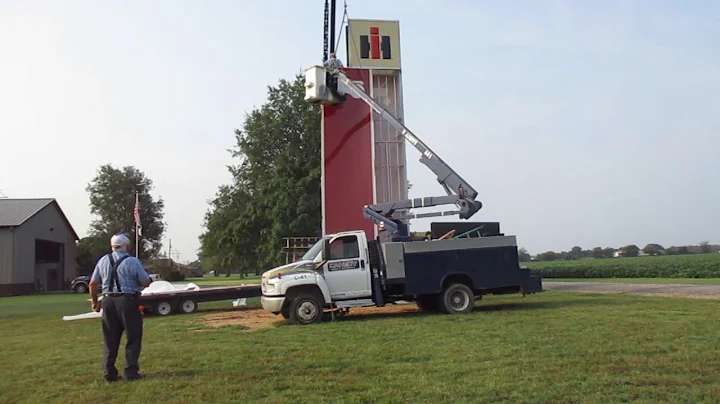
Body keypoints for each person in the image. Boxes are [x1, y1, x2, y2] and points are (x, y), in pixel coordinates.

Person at [88, 233, 152, 382]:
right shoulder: (132, 261)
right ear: (127, 246)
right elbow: (145, 282)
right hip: (127, 300)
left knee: (110, 339)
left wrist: (94, 302)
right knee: (133, 337)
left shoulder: (103, 260)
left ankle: (109, 374)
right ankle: (131, 372)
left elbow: (92, 283)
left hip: (108, 301)